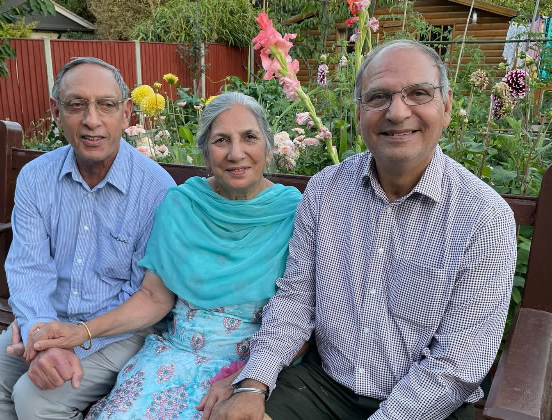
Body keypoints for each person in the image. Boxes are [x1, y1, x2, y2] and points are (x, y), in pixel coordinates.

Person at [214, 39, 517, 420]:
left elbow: (456, 365)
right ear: (359, 113)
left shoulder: (484, 218)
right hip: (323, 389)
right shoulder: (326, 190)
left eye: (418, 93)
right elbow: (295, 302)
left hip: (428, 406)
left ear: (447, 106)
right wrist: (253, 383)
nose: (396, 112)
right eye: (378, 97)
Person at [25, 91, 303, 420]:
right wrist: (82, 332)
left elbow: (304, 318)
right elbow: (154, 297)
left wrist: (246, 382)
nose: (236, 153)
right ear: (205, 152)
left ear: (267, 148)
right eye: (221, 140)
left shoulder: (294, 213)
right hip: (175, 355)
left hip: (256, 368)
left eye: (249, 137)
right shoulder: (182, 205)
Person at [0, 57, 176, 419]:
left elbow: (145, 297)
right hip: (48, 320)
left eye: (106, 105)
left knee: (36, 398)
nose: (92, 120)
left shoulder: (156, 190)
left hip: (119, 330)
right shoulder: (36, 178)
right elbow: (28, 268)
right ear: (56, 112)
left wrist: (75, 341)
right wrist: (40, 336)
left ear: (127, 113)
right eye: (76, 105)